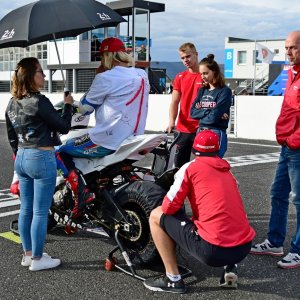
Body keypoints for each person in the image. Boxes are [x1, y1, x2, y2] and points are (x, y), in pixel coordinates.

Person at [143, 130, 256, 294]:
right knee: (226, 215)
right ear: (217, 149)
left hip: (213, 252)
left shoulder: (190, 168)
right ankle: (230, 266)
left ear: (194, 149)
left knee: (156, 215)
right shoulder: (228, 172)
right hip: (243, 248)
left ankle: (173, 279)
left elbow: (169, 207)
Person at [56, 37, 150, 219]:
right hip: (134, 136)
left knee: (61, 151)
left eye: (101, 57)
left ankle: (80, 192)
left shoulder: (105, 77)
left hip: (108, 139)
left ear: (107, 56)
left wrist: (69, 102)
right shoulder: (141, 74)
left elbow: (85, 108)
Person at [5, 57, 73, 271]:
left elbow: (11, 137)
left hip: (22, 158)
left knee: (25, 209)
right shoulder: (39, 100)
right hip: (41, 157)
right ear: (30, 76)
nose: (44, 76)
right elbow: (63, 126)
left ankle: (27, 254)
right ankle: (37, 258)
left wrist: (21, 154)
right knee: (41, 211)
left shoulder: (11, 102)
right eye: (40, 72)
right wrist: (68, 106)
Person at [250, 30, 300, 269]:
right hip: (287, 147)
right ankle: (275, 242)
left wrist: (293, 140)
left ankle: (299, 250)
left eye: (294, 47)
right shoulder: (292, 74)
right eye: (287, 48)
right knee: (277, 194)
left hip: (296, 148)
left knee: (299, 200)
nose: (289, 52)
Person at [166, 42, 203, 168]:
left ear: (196, 54)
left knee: (204, 164)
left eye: (188, 56)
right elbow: (174, 102)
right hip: (183, 128)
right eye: (182, 58)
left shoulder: (206, 76)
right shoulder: (180, 77)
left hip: (202, 127)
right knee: (179, 166)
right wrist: (171, 121)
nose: (185, 60)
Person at [190, 54, 232, 158]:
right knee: (202, 165)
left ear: (215, 72)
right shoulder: (202, 90)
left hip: (216, 132)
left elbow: (213, 118)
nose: (202, 76)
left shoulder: (224, 91)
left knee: (214, 165)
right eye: (201, 74)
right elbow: (192, 113)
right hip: (201, 132)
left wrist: (204, 111)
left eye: (205, 73)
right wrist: (210, 110)